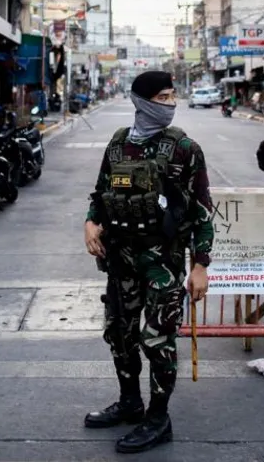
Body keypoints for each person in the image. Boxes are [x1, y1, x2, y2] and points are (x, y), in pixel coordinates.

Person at [83, 70, 214, 454]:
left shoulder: (184, 148)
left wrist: (200, 264)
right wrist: (91, 222)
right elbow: (101, 191)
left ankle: (158, 418)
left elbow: (203, 210)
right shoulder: (118, 144)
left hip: (162, 263)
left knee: (157, 340)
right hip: (120, 259)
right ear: (141, 101)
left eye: (173, 96)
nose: (170, 103)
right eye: (162, 96)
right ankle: (130, 402)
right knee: (120, 335)